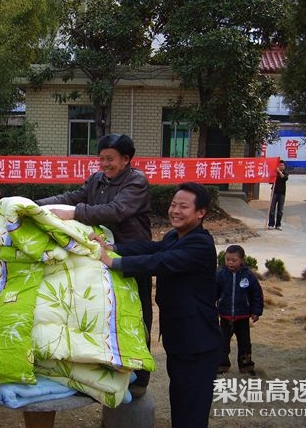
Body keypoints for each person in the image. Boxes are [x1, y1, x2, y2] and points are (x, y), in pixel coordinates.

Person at [92, 182, 221, 428]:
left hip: (198, 344)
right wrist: (113, 247)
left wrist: (113, 262)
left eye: (184, 206)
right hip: (180, 340)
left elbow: (160, 261)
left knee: (191, 411)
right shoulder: (175, 236)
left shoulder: (200, 244)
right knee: (180, 403)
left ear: (201, 212)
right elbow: (152, 248)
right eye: (173, 204)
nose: (175, 211)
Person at [35, 133, 153, 396]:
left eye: (110, 159)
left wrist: (75, 213)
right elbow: (74, 196)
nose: (105, 164)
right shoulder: (97, 179)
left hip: (131, 254)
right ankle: (109, 367)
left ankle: (140, 377)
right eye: (101, 159)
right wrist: (36, 206)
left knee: (137, 311)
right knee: (105, 309)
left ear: (126, 159)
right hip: (101, 253)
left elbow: (116, 210)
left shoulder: (137, 181)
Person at [216, 244, 264, 375]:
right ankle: (221, 365)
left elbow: (256, 294)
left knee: (245, 343)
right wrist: (212, 310)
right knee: (222, 343)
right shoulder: (220, 274)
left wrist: (256, 311)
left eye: (234, 260)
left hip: (242, 317)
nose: (230, 262)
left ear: (242, 260)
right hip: (225, 316)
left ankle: (246, 366)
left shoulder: (249, 276)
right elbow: (214, 293)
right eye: (227, 259)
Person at [268, 160, 288, 230]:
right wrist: (273, 177)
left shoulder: (285, 173)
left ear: (284, 166)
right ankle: (271, 224)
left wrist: (279, 171)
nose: (282, 166)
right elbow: (270, 181)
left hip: (282, 194)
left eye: (283, 165)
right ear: (278, 166)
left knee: (280, 211)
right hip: (274, 193)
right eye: (280, 165)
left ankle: (278, 225)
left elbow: (284, 178)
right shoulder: (275, 173)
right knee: (272, 209)